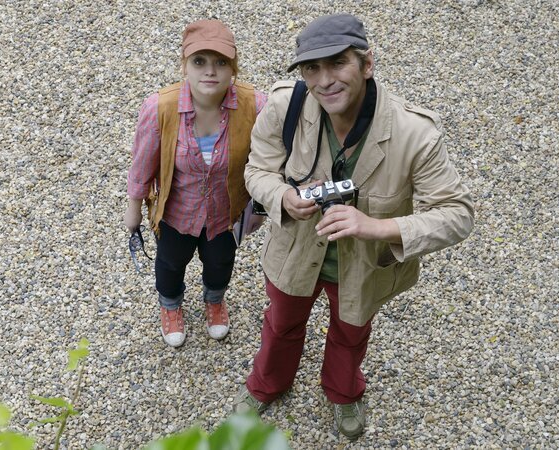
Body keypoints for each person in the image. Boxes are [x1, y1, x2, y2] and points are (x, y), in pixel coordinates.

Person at [235, 14, 474, 439]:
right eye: (312, 69)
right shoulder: (285, 106)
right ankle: (267, 385)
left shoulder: (414, 134)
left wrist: (375, 227)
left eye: (337, 63)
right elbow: (257, 170)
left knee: (350, 333)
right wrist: (283, 197)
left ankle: (344, 392)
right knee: (281, 324)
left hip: (364, 265)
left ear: (367, 64)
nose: (324, 81)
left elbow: (457, 214)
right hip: (294, 252)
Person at [124, 19, 267, 348]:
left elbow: (268, 163)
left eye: (221, 63)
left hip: (227, 212)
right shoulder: (160, 107)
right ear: (184, 66)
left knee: (220, 262)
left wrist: (259, 207)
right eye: (199, 61)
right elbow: (142, 163)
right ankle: (171, 306)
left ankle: (214, 300)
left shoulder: (255, 106)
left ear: (233, 68)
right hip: (177, 214)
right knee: (170, 263)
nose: (210, 71)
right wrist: (133, 208)